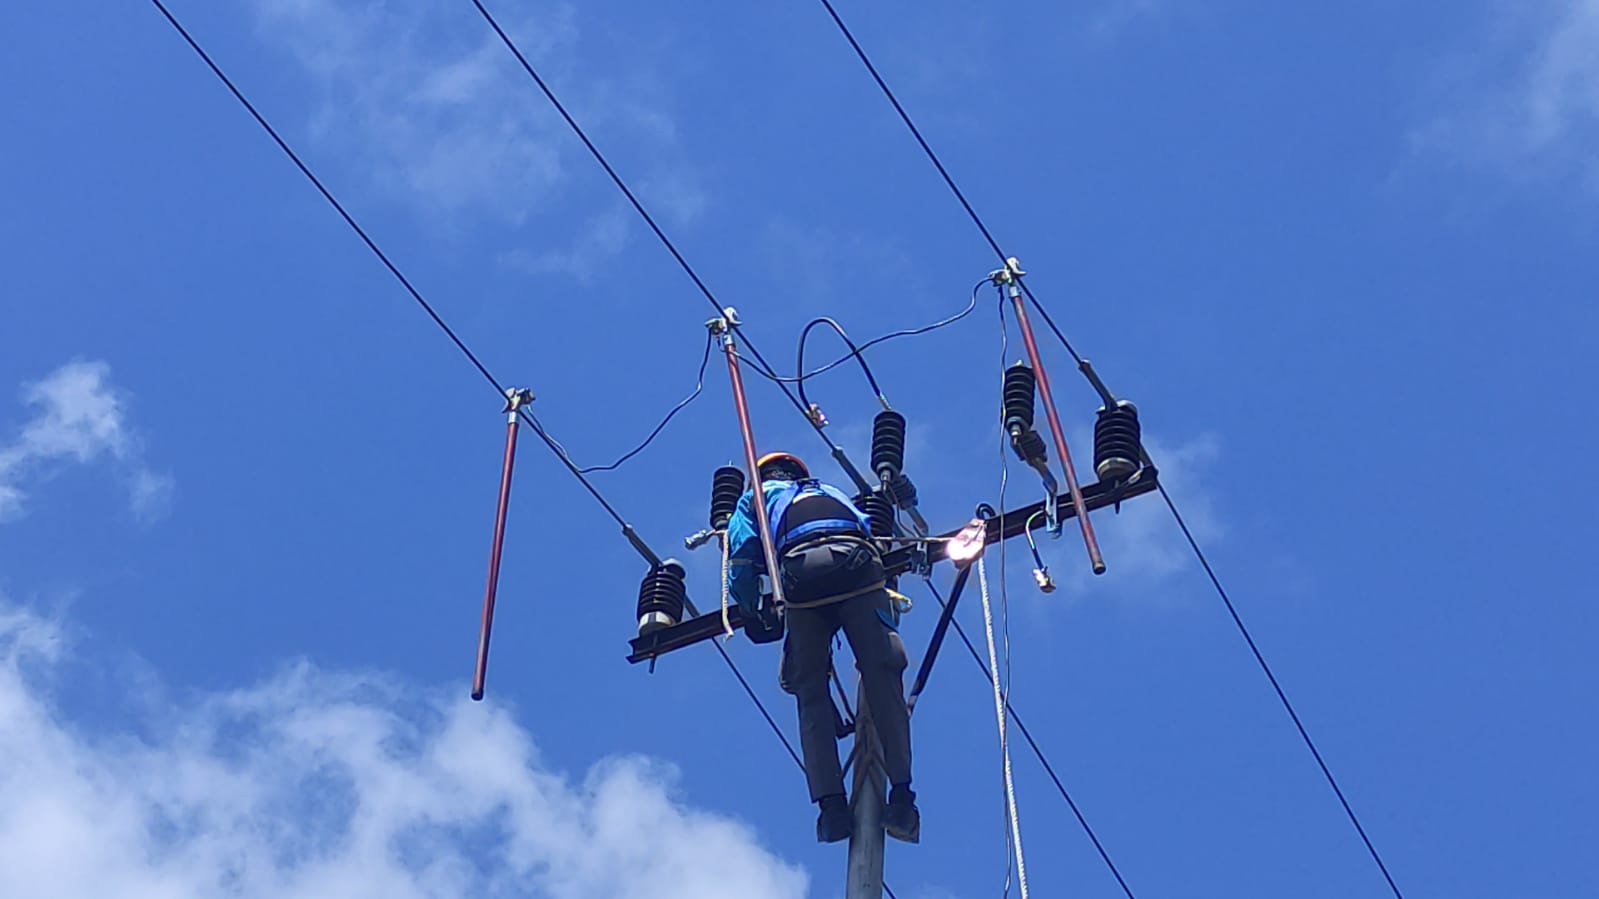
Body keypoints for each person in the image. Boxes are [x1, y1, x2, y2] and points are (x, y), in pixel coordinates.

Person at [726, 451, 920, 844]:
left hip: (801, 575)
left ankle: (832, 809)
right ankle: (902, 798)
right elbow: (869, 532)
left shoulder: (756, 497)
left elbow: (743, 553)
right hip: (857, 564)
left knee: (809, 687)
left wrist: (750, 608)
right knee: (882, 672)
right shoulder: (831, 492)